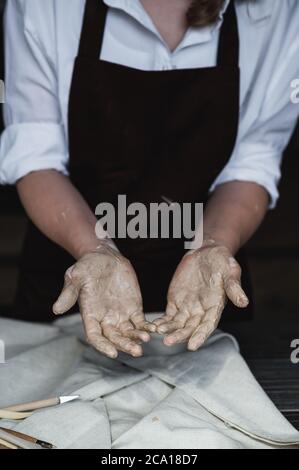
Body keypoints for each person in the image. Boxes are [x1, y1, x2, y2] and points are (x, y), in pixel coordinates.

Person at [0, 0, 299, 359]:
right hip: (73, 276)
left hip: (204, 295)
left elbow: (252, 162)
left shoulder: (276, 7)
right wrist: (94, 249)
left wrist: (213, 246)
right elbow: (35, 157)